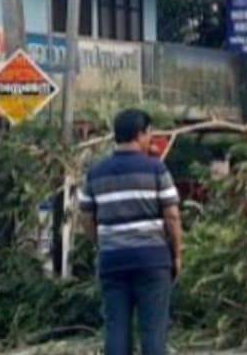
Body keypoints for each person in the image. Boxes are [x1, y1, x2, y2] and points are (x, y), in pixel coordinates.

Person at [78, 109, 182, 355]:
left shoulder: (95, 172)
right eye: (149, 133)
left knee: (116, 329)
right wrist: (177, 254)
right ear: (139, 134)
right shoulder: (156, 169)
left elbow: (86, 216)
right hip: (153, 261)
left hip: (112, 261)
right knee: (153, 331)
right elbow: (172, 215)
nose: (150, 138)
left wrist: (101, 243)